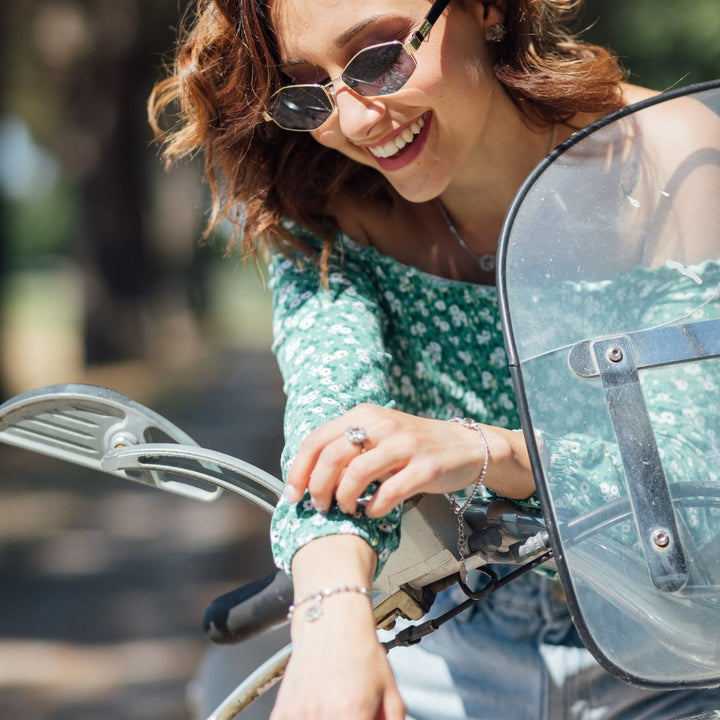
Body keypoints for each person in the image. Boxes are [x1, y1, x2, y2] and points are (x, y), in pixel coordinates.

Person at [149, 0, 720, 717]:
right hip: (448, 632)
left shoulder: (674, 156)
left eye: (378, 58)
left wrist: (494, 453)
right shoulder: (324, 206)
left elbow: (700, 483)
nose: (354, 121)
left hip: (675, 633)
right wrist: (332, 611)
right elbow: (331, 424)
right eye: (306, 90)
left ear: (485, 10)